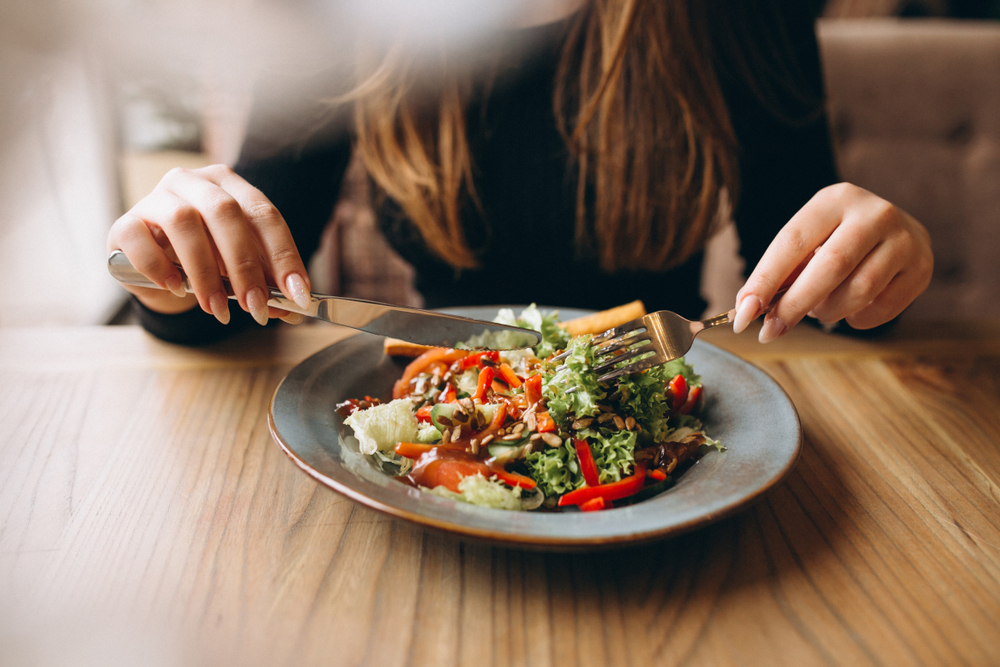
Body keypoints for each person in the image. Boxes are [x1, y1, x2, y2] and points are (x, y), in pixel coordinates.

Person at [108, 0, 933, 346]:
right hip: (426, 411)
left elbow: (815, 293)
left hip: (667, 416)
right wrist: (169, 256)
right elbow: (233, 285)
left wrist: (872, 264)